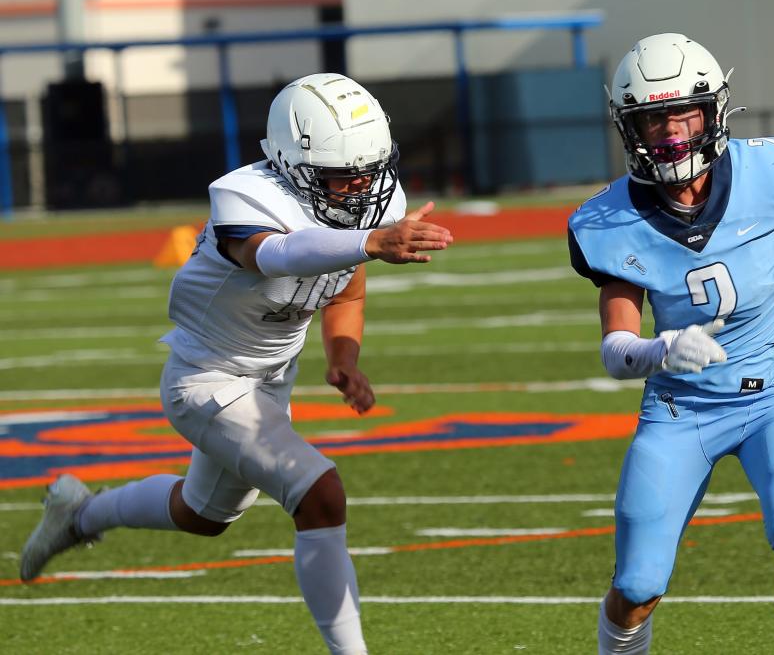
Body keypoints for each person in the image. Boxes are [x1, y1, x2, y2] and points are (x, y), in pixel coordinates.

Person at [20, 73, 453, 655]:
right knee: (319, 492)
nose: (360, 188)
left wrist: (343, 357)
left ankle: (79, 514)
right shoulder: (245, 196)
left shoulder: (368, 200)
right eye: (341, 175)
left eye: (369, 171)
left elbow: (346, 290)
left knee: (203, 515)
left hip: (270, 381)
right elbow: (275, 255)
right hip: (206, 377)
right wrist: (370, 242)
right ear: (290, 161)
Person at [568, 34, 774, 654]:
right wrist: (660, 349)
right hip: (679, 410)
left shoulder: (770, 173)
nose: (669, 134)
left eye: (682, 114)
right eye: (651, 119)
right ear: (627, 126)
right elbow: (616, 347)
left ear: (714, 111)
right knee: (639, 582)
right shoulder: (608, 221)